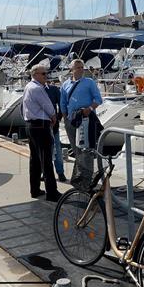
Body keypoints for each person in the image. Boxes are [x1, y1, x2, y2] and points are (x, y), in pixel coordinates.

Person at [61, 58, 103, 191]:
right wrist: (65, 117)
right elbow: (63, 102)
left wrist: (89, 109)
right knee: (77, 150)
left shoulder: (89, 82)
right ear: (71, 70)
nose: (80, 69)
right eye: (77, 67)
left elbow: (98, 99)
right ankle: (80, 178)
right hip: (72, 119)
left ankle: (87, 180)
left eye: (82, 67)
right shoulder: (65, 85)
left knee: (87, 150)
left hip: (86, 119)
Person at [22, 64, 61, 201]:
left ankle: (35, 189)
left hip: (31, 125)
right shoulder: (37, 89)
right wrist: (54, 116)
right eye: (44, 74)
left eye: (46, 73)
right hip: (40, 125)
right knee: (46, 159)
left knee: (35, 160)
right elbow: (48, 106)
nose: (46, 76)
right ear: (35, 75)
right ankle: (52, 192)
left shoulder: (28, 87)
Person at [45, 78, 66, 182]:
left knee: (57, 150)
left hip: (54, 126)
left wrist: (58, 117)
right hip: (40, 127)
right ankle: (43, 172)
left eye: (45, 75)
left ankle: (60, 172)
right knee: (43, 151)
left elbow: (61, 104)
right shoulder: (34, 90)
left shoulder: (54, 89)